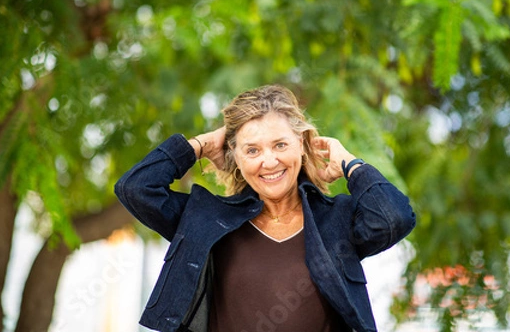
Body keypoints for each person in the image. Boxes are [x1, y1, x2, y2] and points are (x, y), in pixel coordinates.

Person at [115, 85, 416, 332]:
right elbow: (136, 189)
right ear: (234, 154)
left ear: (301, 143)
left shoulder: (337, 219)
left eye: (280, 145)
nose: (269, 161)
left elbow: (395, 218)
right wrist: (201, 145)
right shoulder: (206, 218)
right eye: (252, 150)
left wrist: (352, 165)